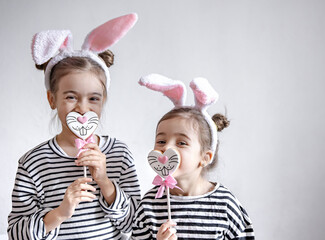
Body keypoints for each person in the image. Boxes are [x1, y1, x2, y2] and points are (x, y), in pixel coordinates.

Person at [7, 14, 141, 240]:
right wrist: (59, 213)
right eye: (71, 97)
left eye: (94, 99)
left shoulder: (119, 154)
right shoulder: (32, 163)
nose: (82, 108)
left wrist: (105, 182)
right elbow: (16, 234)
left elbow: (134, 224)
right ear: (52, 100)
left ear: (103, 101)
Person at [132, 74, 255, 239]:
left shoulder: (225, 205)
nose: (167, 148)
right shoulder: (149, 206)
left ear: (205, 157)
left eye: (181, 143)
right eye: (161, 140)